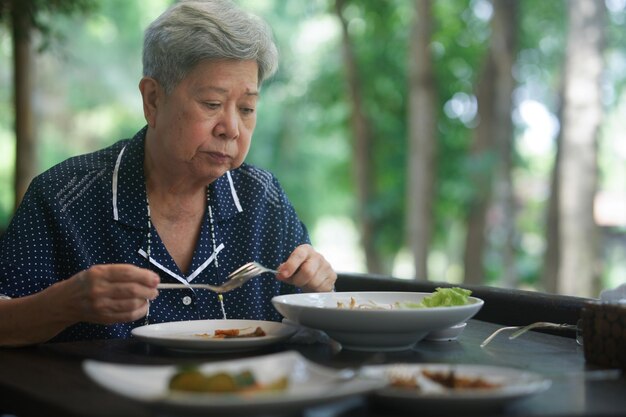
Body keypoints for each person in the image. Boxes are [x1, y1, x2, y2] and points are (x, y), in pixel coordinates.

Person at [0, 0, 336, 347]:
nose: (232, 129)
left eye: (247, 108)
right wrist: (64, 304)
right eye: (212, 104)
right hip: (102, 399)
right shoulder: (64, 196)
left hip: (247, 396)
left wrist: (318, 291)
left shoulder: (262, 197)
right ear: (153, 100)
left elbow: (313, 330)